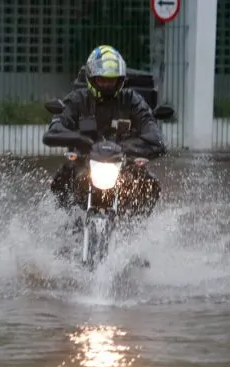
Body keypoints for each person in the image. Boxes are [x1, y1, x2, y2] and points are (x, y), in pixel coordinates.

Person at [42, 45, 167, 230]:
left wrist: (127, 147)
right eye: (102, 80)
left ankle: (137, 234)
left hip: (124, 165)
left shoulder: (132, 100)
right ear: (92, 78)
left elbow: (154, 135)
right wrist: (78, 139)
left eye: (112, 80)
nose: (107, 84)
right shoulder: (78, 99)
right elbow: (55, 128)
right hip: (85, 164)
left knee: (149, 184)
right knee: (62, 180)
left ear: (121, 81)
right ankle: (65, 230)